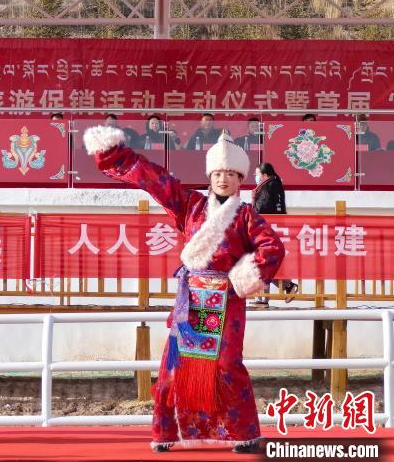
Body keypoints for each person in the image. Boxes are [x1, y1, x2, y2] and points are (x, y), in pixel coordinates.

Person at [83, 126, 285, 454]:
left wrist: (243, 277)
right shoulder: (189, 204)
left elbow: (272, 247)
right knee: (173, 367)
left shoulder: (247, 215)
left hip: (228, 299)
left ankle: (243, 432)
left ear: (240, 179)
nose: (223, 179)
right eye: (217, 173)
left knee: (226, 364)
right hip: (191, 299)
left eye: (230, 174)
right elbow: (155, 180)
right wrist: (114, 153)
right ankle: (166, 432)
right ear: (209, 177)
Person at [252, 163, 298, 307]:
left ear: (264, 175)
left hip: (266, 230)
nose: (255, 177)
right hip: (268, 229)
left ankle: (264, 297)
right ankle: (285, 287)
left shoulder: (269, 186)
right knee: (262, 262)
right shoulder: (273, 184)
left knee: (263, 261)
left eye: (257, 174)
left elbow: (262, 207)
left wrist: (250, 211)